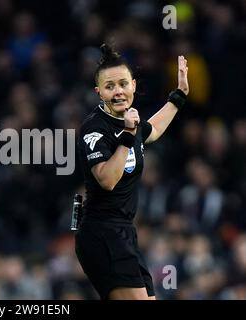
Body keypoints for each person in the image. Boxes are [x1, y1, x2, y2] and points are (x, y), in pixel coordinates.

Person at [75, 44, 189, 300]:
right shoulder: (94, 129)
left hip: (124, 233)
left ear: (134, 85)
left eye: (123, 84)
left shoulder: (131, 122)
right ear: (99, 92)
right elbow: (107, 179)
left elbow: (152, 130)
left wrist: (179, 96)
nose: (118, 92)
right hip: (101, 234)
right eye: (110, 86)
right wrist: (127, 135)